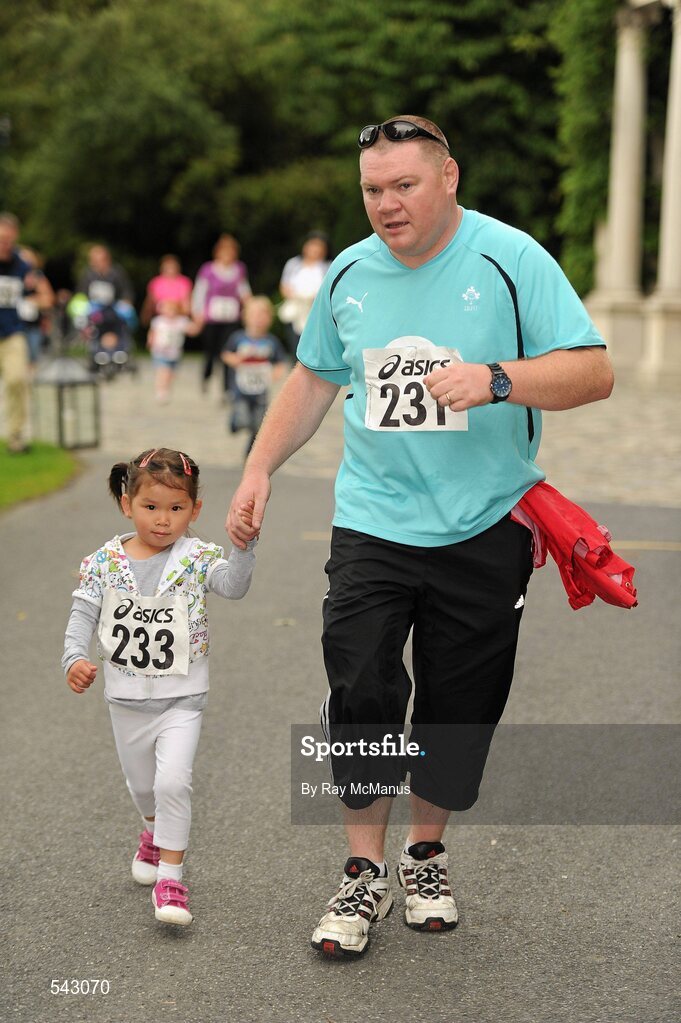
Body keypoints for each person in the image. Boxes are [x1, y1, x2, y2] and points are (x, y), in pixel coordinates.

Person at [226, 114, 614, 959]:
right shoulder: (348, 273)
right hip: (373, 519)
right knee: (360, 680)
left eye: (404, 184)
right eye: (372, 189)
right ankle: (361, 871)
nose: (387, 204)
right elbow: (313, 378)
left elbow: (593, 369)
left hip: (485, 523)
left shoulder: (510, 260)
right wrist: (259, 468)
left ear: (449, 178)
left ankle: (425, 855)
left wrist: (497, 378)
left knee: (456, 707)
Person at [63, 448, 256, 926]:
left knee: (173, 783)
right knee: (143, 786)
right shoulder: (105, 561)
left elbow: (233, 586)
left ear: (195, 511)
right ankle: (151, 832)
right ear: (127, 504)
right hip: (125, 698)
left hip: (182, 698)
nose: (164, 520)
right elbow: (83, 614)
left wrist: (243, 547)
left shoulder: (197, 557)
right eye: (151, 508)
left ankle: (172, 879)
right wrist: (75, 657)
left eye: (177, 509)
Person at [0, 213, 52, 452]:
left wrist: (31, 302)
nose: (4, 244)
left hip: (12, 333)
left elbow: (46, 296)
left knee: (17, 380)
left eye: (8, 239)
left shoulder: (23, 266)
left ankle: (16, 437)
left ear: (15, 238)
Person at [221, 295, 287, 457]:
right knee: (243, 419)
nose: (258, 320)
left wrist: (277, 372)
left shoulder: (272, 342)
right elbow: (225, 354)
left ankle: (250, 452)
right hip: (240, 390)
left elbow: (280, 361)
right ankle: (234, 423)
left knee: (258, 425)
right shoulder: (238, 338)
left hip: (260, 391)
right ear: (246, 317)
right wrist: (235, 360)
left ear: (269, 319)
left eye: (262, 316)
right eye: (254, 315)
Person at [192, 234, 251, 397]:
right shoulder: (208, 269)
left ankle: (227, 388)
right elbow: (200, 292)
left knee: (227, 351)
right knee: (210, 352)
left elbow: (243, 290)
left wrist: (249, 306)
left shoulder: (239, 269)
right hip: (212, 317)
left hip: (231, 317)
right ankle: (206, 376)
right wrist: (198, 313)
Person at [278, 231, 330, 357]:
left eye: (319, 246)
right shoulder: (293, 264)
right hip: (295, 310)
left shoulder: (328, 266)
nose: (315, 249)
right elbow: (284, 286)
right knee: (295, 346)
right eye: (312, 245)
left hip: (315, 312)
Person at [147, 299, 201, 403]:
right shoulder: (159, 321)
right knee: (162, 371)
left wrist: (198, 321)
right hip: (160, 351)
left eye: (173, 310)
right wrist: (150, 341)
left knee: (171, 374)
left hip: (175, 353)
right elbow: (153, 332)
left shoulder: (181, 322)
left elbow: (192, 330)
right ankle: (160, 391)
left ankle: (165, 388)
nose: (170, 313)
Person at [141, 254, 193, 326]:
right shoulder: (155, 283)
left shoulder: (184, 282)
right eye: (167, 267)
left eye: (172, 267)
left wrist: (172, 310)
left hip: (179, 319)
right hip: (160, 318)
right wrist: (146, 316)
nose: (170, 270)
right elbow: (150, 303)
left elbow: (187, 306)